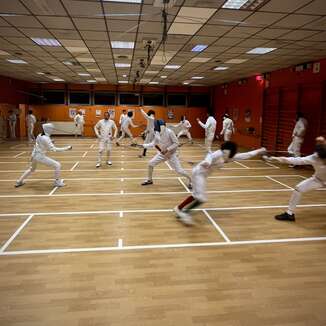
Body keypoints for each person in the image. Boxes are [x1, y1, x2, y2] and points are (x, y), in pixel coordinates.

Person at [174, 142, 266, 225]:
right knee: (201, 198)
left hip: (202, 175)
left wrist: (259, 150)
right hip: (198, 174)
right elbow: (209, 156)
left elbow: (246, 154)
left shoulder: (229, 157)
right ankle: (183, 213)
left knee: (197, 195)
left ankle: (179, 209)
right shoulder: (218, 153)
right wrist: (207, 162)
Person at [265, 136, 326, 222]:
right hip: (318, 179)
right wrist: (278, 159)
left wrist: (322, 142)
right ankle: (289, 214)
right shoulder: (314, 158)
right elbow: (296, 160)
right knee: (298, 188)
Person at [15, 123, 72, 188]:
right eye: (51, 129)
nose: (52, 130)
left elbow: (42, 143)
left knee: (32, 169)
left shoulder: (40, 135)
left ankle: (19, 181)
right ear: (48, 129)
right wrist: (67, 148)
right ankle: (57, 182)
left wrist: (51, 141)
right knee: (57, 165)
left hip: (34, 155)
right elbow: (54, 149)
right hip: (40, 156)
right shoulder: (46, 138)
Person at [140, 119, 192, 189]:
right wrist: (142, 145)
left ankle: (191, 180)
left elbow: (176, 143)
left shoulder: (170, 132)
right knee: (150, 164)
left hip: (171, 154)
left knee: (179, 170)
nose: (156, 129)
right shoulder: (157, 133)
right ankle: (150, 180)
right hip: (162, 154)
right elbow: (153, 144)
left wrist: (167, 149)